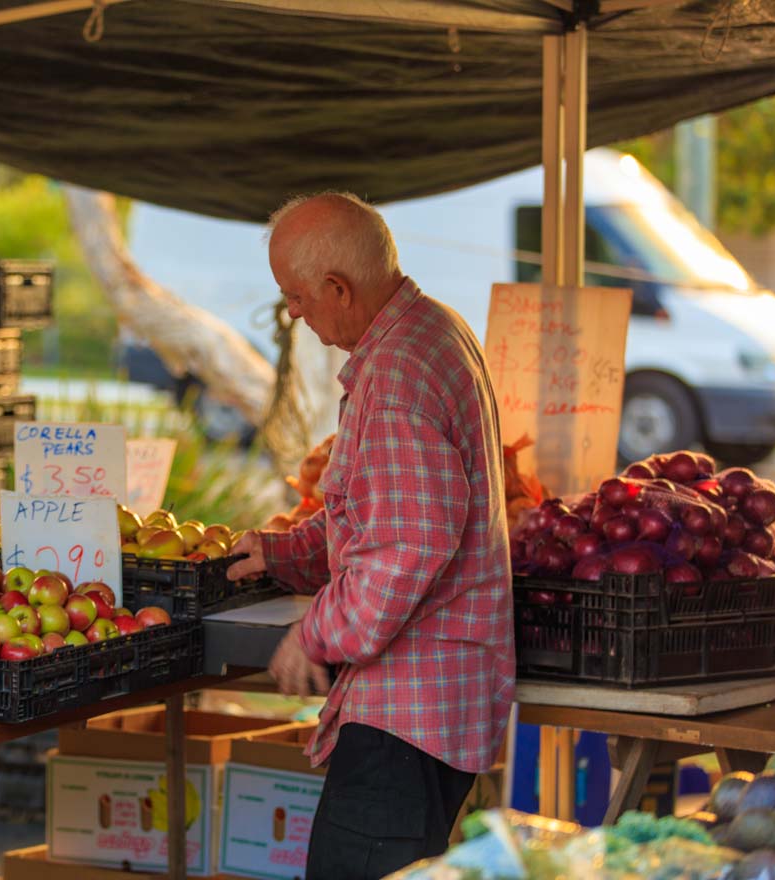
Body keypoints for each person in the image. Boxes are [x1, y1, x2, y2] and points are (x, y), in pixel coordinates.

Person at [227, 192, 514, 880]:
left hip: (408, 715)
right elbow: (379, 510)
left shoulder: (395, 378)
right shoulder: (431, 329)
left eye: (297, 297)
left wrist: (316, 632)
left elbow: (406, 549)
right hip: (433, 705)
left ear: (338, 288)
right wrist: (285, 552)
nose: (293, 313)